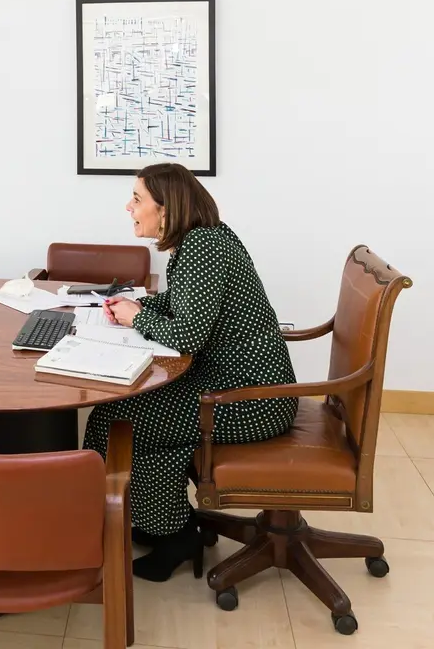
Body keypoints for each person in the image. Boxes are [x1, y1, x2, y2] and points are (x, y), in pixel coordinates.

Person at [82, 162, 298, 582]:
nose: (129, 207)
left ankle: (171, 531)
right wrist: (140, 306)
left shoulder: (203, 248)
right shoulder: (203, 240)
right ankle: (159, 521)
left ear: (167, 208)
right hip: (233, 385)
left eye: (138, 198)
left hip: (249, 399)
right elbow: (186, 306)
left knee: (117, 418)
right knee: (128, 413)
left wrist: (136, 319)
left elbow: (187, 335)